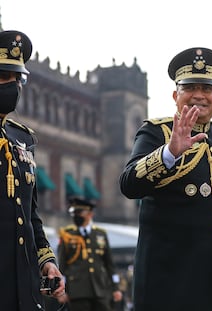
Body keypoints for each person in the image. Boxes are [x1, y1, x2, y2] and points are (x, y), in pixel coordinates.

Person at [119, 47, 212, 310]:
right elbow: (129, 184)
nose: (198, 95)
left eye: (207, 88)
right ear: (176, 95)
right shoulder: (156, 133)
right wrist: (170, 152)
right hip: (172, 288)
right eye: (189, 87)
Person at [0, 30, 65, 310]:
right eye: (3, 76)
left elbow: (29, 215)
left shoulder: (22, 139)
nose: (13, 86)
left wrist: (47, 261)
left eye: (18, 79)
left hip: (22, 288)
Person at [57, 197, 123, 311]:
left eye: (79, 213)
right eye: (74, 213)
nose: (76, 216)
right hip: (78, 291)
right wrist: (62, 291)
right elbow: (62, 265)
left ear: (90, 214)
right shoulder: (67, 235)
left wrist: (116, 288)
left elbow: (110, 265)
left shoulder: (100, 234)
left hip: (101, 289)